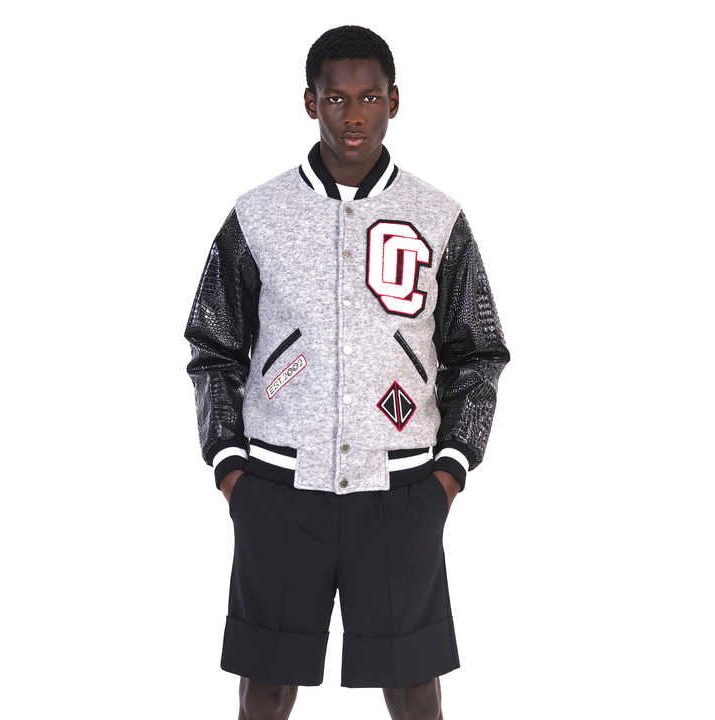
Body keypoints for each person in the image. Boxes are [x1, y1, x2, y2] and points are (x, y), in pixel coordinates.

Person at [184, 24, 510, 720]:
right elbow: (214, 346)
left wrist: (450, 471)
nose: (353, 115)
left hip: (401, 491)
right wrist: (231, 467)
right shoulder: (259, 214)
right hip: (279, 489)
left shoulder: (437, 216)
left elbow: (478, 351)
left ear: (394, 101)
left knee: (414, 689)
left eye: (368, 97)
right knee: (266, 688)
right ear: (311, 103)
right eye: (336, 98)